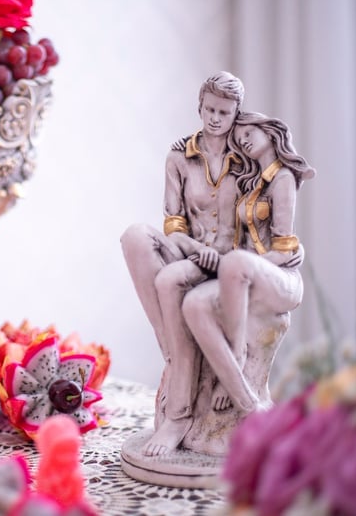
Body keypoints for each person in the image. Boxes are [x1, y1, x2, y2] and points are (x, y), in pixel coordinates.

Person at [120, 71, 245, 456]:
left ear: (236, 113)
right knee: (134, 236)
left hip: (230, 264)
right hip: (190, 252)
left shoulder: (247, 159)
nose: (215, 118)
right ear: (200, 107)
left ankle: (179, 414)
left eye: (224, 112)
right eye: (210, 109)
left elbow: (258, 220)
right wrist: (192, 246)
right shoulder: (179, 157)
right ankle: (174, 353)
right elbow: (173, 222)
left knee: (171, 281)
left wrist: (227, 257)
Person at [181, 111, 315, 416]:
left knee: (236, 262)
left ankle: (237, 354)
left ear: (269, 131)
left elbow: (285, 250)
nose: (242, 140)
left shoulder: (283, 178)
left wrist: (242, 264)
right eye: (239, 138)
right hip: (244, 274)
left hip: (279, 278)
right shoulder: (250, 182)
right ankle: (244, 396)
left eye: (248, 133)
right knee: (194, 304)